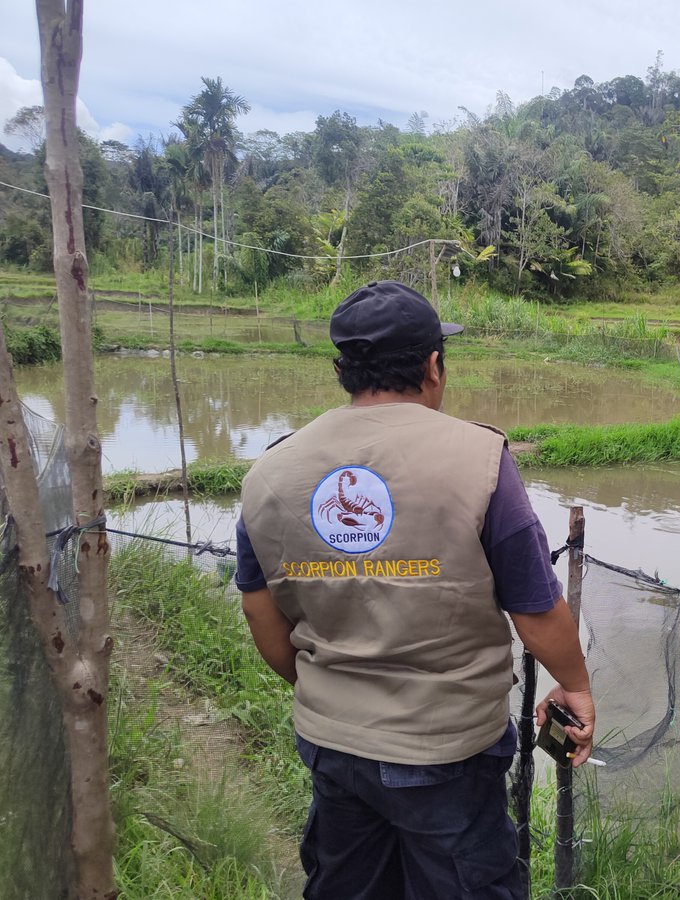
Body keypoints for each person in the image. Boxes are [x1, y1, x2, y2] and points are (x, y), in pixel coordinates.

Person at [235, 280, 594, 899]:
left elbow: (260, 610)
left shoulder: (271, 469)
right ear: (433, 366)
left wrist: (325, 689)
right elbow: (535, 608)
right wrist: (577, 685)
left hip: (332, 742)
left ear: (344, 370)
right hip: (446, 748)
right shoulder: (479, 458)